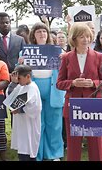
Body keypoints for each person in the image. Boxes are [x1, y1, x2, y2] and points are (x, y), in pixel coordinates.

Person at [56, 22, 102, 161]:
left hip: (93, 105)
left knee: (96, 143)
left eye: (88, 36)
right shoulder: (66, 57)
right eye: (82, 36)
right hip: (73, 105)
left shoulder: (98, 56)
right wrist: (72, 83)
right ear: (74, 38)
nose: (86, 39)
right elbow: (59, 83)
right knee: (73, 144)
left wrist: (94, 83)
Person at [28, 22, 65, 161]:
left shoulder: (57, 51)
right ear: (34, 35)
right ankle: (37, 154)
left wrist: (64, 58)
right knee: (37, 124)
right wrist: (20, 62)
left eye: (44, 31)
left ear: (48, 34)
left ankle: (54, 154)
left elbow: (65, 67)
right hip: (34, 90)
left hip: (53, 90)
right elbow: (20, 72)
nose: (42, 34)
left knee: (54, 124)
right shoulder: (25, 52)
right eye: (38, 32)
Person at [6, 65, 42, 161]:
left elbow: (36, 108)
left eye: (19, 78)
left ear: (28, 76)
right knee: (22, 151)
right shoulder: (20, 86)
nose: (18, 80)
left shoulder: (33, 88)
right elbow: (10, 98)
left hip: (29, 124)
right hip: (21, 124)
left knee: (28, 151)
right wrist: (13, 83)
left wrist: (20, 109)